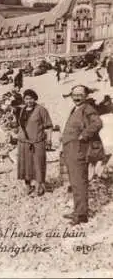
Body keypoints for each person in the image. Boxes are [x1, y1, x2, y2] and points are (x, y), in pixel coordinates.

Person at [62, 85, 103, 225]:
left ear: (86, 96)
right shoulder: (76, 108)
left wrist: (84, 135)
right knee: (75, 182)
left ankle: (81, 215)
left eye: (80, 94)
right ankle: (78, 211)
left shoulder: (87, 108)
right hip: (71, 149)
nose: (77, 97)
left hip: (79, 149)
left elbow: (98, 123)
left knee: (79, 182)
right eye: (74, 94)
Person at [16, 89, 53, 196]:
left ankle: (39, 186)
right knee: (24, 164)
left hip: (37, 142)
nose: (29, 101)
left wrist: (49, 140)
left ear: (35, 98)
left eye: (31, 98)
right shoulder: (22, 110)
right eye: (27, 98)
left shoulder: (41, 110)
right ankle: (27, 186)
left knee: (38, 164)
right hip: (23, 142)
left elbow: (49, 126)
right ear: (24, 99)